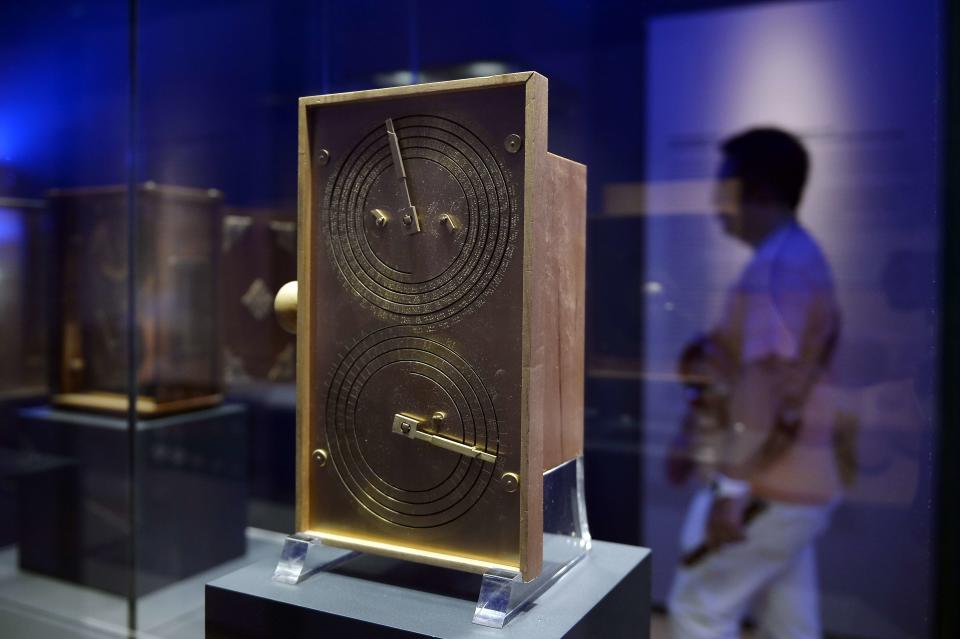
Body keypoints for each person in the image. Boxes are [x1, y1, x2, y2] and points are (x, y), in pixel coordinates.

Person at [667, 128, 847, 639]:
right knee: (790, 620)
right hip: (797, 481)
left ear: (760, 190)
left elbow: (764, 384)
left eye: (724, 187)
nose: (714, 203)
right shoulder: (795, 257)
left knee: (699, 609)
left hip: (770, 483)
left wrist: (733, 487)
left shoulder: (780, 269)